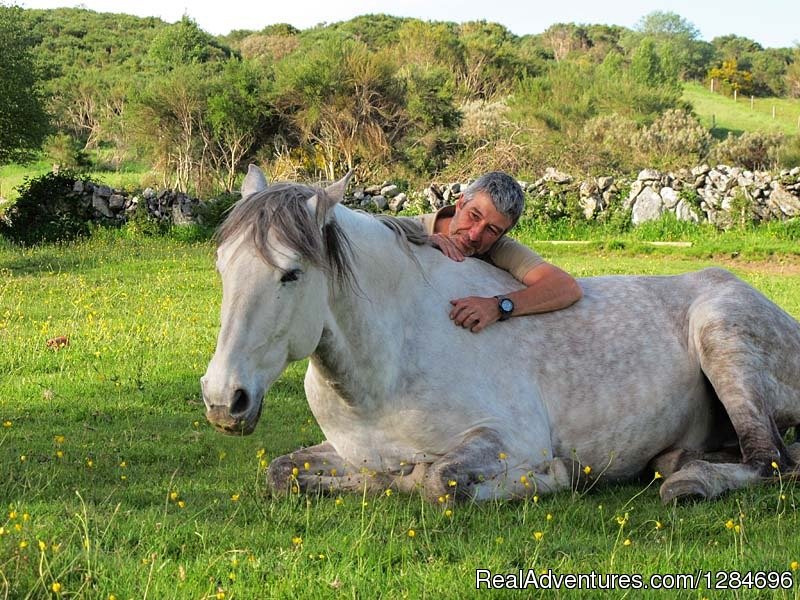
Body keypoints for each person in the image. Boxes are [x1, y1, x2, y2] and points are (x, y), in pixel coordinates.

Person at [416, 172, 582, 332]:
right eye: (474, 216)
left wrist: (498, 306)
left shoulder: (499, 247)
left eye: (492, 229)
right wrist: (418, 244)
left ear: (503, 234)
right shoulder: (408, 231)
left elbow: (566, 287)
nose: (474, 235)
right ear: (460, 203)